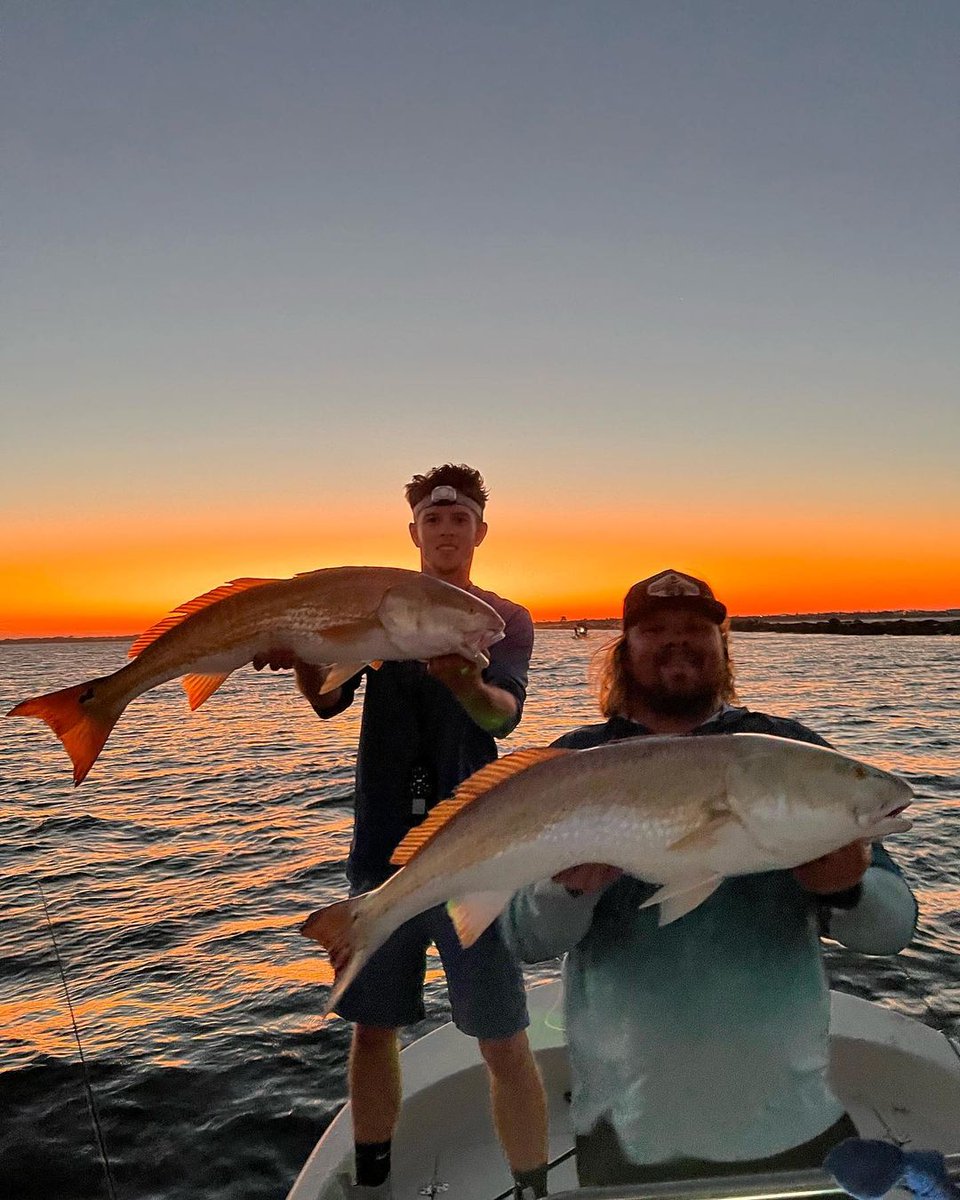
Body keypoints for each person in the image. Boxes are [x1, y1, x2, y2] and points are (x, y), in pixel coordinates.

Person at [499, 568, 918, 1188]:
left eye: (697, 628)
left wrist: (848, 886)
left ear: (724, 645)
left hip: (792, 1114)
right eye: (655, 630)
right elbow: (522, 938)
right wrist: (566, 888)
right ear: (623, 647)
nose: (678, 641)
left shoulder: (789, 754)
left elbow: (893, 928)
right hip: (630, 1125)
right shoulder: (574, 764)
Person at [257, 465, 548, 1200]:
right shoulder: (375, 607)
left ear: (481, 531)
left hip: (478, 854)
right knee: (373, 1026)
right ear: (413, 531)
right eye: (432, 519)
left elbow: (499, 717)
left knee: (502, 1034)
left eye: (460, 520)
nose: (446, 530)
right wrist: (305, 657)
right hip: (379, 852)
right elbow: (326, 701)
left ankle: (534, 1185)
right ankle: (374, 1180)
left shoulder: (503, 618)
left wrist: (459, 678)